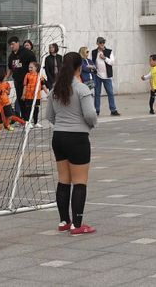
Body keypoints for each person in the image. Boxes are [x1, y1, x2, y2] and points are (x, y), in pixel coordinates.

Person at [49, 50, 99, 234]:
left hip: (58, 137)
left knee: (63, 180)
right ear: (80, 68)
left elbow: (49, 116)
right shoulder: (81, 89)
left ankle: (64, 221)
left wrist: (62, 124)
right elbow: (90, 114)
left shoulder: (55, 89)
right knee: (79, 182)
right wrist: (91, 125)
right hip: (77, 138)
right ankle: (77, 225)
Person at [90, 38, 118, 116]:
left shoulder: (109, 51)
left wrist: (104, 58)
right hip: (97, 76)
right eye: (100, 43)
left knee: (110, 93)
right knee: (97, 93)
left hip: (107, 76)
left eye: (103, 42)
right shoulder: (94, 52)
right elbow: (93, 62)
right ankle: (96, 110)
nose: (102, 44)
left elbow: (112, 62)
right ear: (97, 43)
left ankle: (113, 110)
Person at [21, 61, 43, 128]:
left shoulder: (39, 76)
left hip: (37, 96)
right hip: (28, 95)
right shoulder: (27, 75)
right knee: (28, 109)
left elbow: (43, 85)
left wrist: (48, 94)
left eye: (31, 67)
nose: (29, 68)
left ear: (36, 68)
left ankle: (36, 122)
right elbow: (25, 86)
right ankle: (28, 122)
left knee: (36, 109)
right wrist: (23, 94)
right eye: (29, 67)